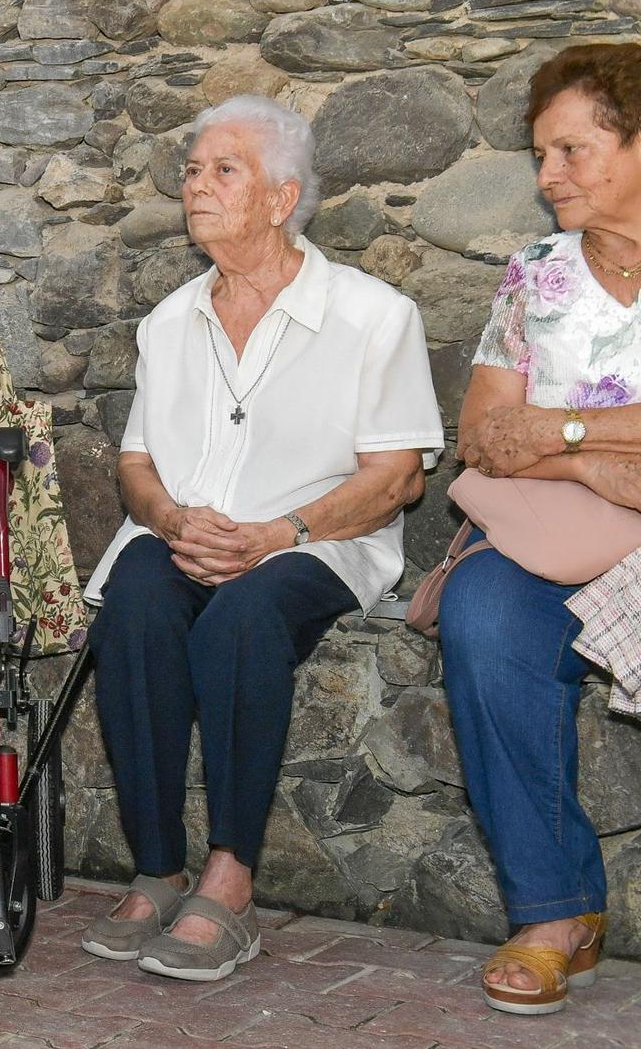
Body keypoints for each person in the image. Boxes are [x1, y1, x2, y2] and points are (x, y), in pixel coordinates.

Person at [80, 95, 442, 982]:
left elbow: (399, 477)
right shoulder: (169, 321)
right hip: (188, 534)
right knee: (132, 605)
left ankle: (231, 879)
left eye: (223, 170)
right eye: (193, 170)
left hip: (316, 542)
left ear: (282, 199)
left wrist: (277, 532)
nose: (196, 185)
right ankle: (158, 868)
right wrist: (169, 521)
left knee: (244, 616)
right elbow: (136, 466)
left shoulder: (372, 315)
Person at [442, 43, 641, 1015]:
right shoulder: (533, 276)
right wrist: (588, 463)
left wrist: (563, 425)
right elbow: (481, 434)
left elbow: (526, 422)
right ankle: (554, 908)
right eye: (537, 154)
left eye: (569, 149)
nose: (545, 175)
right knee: (481, 610)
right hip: (558, 531)